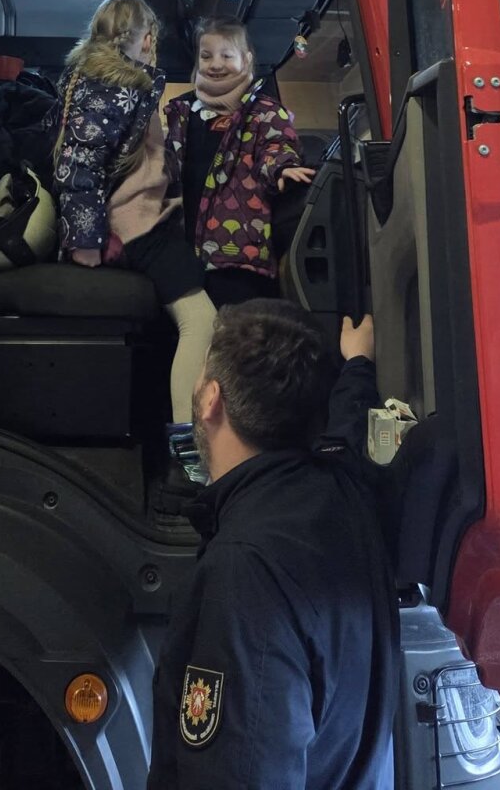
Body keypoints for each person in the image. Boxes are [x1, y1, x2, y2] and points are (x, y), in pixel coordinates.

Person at [147, 301, 397, 790]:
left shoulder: (245, 573)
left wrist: (356, 364)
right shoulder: (344, 490)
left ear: (211, 399)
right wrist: (357, 365)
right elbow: (348, 429)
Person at [53, 0, 217, 434]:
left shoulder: (94, 80)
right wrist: (85, 241)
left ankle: (173, 437)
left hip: (134, 220)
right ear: (146, 38)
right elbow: (79, 164)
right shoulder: (114, 86)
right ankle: (189, 447)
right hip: (135, 224)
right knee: (201, 321)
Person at [166, 19, 315, 307]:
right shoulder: (182, 113)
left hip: (237, 251)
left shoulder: (264, 111)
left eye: (226, 55)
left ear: (245, 60)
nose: (215, 64)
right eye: (206, 56)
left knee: (237, 326)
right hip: (184, 251)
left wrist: (283, 167)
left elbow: (276, 145)